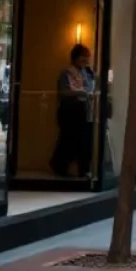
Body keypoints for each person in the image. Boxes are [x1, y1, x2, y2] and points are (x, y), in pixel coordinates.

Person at [50, 44, 95, 177]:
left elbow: (91, 87)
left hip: (84, 110)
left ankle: (83, 169)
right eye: (83, 57)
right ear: (75, 58)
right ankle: (60, 165)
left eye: (87, 57)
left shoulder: (87, 72)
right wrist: (81, 93)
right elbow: (65, 92)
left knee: (84, 140)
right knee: (68, 140)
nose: (86, 60)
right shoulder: (67, 72)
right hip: (70, 111)